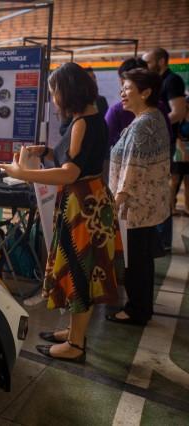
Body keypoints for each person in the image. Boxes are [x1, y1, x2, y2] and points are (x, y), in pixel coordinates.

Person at [0, 63, 122, 363]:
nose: (53, 99)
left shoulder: (82, 124)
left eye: (54, 92)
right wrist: (45, 152)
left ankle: (75, 345)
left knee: (79, 272)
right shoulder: (91, 117)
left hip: (82, 207)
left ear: (67, 91)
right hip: (91, 200)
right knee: (83, 270)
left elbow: (69, 173)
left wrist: (23, 173)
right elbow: (75, 157)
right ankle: (74, 332)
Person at [106, 69, 170, 325]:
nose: (122, 93)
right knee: (141, 259)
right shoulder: (152, 117)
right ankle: (141, 307)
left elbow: (132, 169)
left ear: (145, 92)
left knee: (136, 263)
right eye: (122, 88)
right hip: (147, 204)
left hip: (136, 207)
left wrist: (114, 203)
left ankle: (136, 311)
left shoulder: (144, 124)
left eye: (128, 88)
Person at [143, 47, 187, 251]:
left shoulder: (172, 81)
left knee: (160, 188)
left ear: (161, 62)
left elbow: (178, 112)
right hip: (157, 142)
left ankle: (163, 241)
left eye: (148, 61)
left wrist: (151, 125)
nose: (145, 66)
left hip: (163, 142)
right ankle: (158, 240)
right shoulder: (158, 82)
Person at [105, 58, 173, 147]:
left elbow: (105, 142)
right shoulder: (159, 107)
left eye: (127, 87)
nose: (122, 92)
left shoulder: (117, 111)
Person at [58, 67, 108, 136]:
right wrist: (79, 129)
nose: (94, 81)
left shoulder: (101, 100)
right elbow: (62, 130)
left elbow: (106, 122)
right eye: (90, 78)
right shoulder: (74, 102)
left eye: (94, 77)